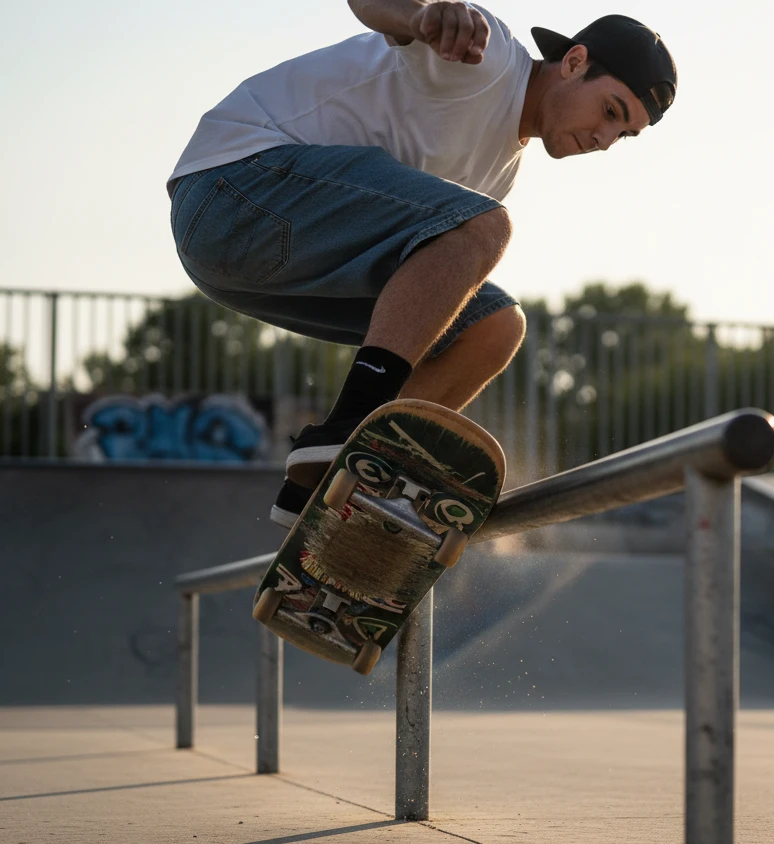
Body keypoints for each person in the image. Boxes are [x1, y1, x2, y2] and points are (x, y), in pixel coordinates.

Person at [167, 0, 676, 526]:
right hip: (233, 187)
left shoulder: (497, 171)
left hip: (250, 267)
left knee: (494, 327)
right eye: (611, 112)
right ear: (573, 62)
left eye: (624, 135)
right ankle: (350, 428)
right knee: (486, 228)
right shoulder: (488, 57)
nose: (604, 139)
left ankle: (338, 495)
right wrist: (421, 17)